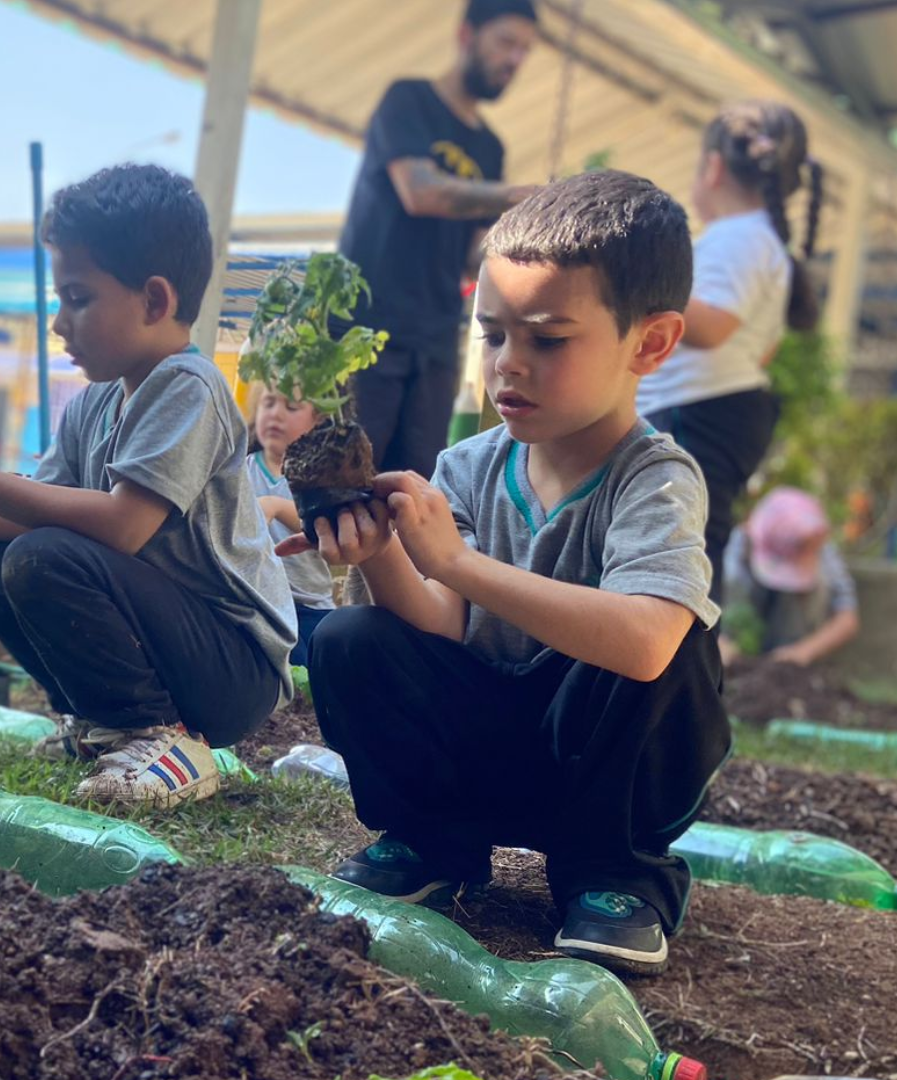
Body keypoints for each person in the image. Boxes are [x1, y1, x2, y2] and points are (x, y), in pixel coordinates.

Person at [282, 171, 730, 977]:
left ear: (650, 343)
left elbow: (645, 645)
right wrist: (387, 551)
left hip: (599, 770)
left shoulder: (656, 478)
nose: (508, 364)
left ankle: (616, 876)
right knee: (351, 638)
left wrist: (457, 558)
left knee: (670, 635)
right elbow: (444, 624)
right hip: (489, 755)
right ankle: (430, 841)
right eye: (491, 335)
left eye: (548, 339)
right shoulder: (469, 465)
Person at [0, 164, 297, 809]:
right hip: (172, 641)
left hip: (232, 663)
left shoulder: (188, 386)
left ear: (155, 302)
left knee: (40, 557)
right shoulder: (93, 404)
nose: (59, 323)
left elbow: (123, 525)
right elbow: (24, 519)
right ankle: (100, 724)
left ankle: (160, 738)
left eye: (77, 299)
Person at [335, 0, 539, 480]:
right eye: (507, 42)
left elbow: (472, 257)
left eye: (525, 51)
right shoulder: (408, 101)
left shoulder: (491, 148)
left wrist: (529, 240)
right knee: (343, 483)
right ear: (467, 35)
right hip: (368, 328)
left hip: (435, 339)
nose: (515, 60)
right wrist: (518, 196)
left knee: (409, 488)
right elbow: (419, 191)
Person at [637, 100, 824, 604]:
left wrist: (641, 281)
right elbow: (763, 348)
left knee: (673, 554)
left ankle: (677, 666)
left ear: (713, 167)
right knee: (689, 549)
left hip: (697, 413)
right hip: (722, 411)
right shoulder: (764, 243)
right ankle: (686, 664)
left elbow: (714, 327)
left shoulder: (736, 237)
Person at [245, 382, 336, 667]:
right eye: (268, 403)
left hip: (308, 604)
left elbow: (325, 525)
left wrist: (276, 506)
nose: (276, 414)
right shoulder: (240, 468)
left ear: (318, 418)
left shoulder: (320, 473)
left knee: (317, 660)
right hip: (257, 601)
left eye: (292, 407)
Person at [722, 486, 859, 667]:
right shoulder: (738, 546)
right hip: (742, 638)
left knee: (819, 585)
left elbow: (847, 618)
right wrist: (721, 642)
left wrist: (803, 652)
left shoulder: (817, 545)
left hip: (794, 639)